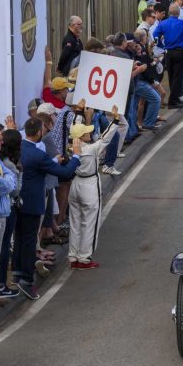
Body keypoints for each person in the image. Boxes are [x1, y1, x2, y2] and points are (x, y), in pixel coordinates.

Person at [14, 118, 81, 300]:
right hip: (32, 202)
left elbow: (39, 166)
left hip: (20, 202)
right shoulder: (36, 154)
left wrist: (52, 160)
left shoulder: (23, 147)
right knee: (28, 241)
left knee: (20, 238)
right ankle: (27, 281)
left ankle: (18, 273)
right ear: (38, 133)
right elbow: (66, 173)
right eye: (42, 129)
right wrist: (76, 156)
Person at [67, 105, 119, 270]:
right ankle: (84, 258)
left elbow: (74, 127)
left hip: (75, 185)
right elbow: (106, 137)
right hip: (89, 185)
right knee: (90, 222)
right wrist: (115, 120)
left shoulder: (71, 149)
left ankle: (73, 256)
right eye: (87, 132)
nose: (90, 133)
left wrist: (78, 112)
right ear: (82, 136)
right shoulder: (92, 149)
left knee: (75, 222)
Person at [153, 2, 183, 108]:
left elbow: (155, 35)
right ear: (179, 12)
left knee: (171, 76)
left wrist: (162, 45)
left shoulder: (163, 24)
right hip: (180, 51)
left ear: (169, 12)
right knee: (178, 76)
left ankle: (175, 98)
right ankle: (173, 101)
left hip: (169, 52)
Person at [0, 125, 17, 314]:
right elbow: (1, 182)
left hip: (2, 212)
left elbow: (10, 177)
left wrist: (6, 185)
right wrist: (7, 185)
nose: (1, 141)